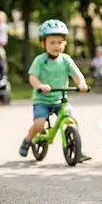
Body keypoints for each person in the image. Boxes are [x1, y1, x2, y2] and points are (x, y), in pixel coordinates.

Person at [18, 19, 91, 159]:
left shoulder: (66, 60)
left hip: (60, 99)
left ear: (64, 43)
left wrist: (82, 84)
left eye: (59, 42)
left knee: (73, 120)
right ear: (43, 44)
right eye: (52, 43)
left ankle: (77, 149)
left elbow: (76, 75)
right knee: (39, 124)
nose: (56, 46)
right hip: (42, 99)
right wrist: (39, 86)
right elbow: (32, 77)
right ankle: (28, 139)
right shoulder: (40, 60)